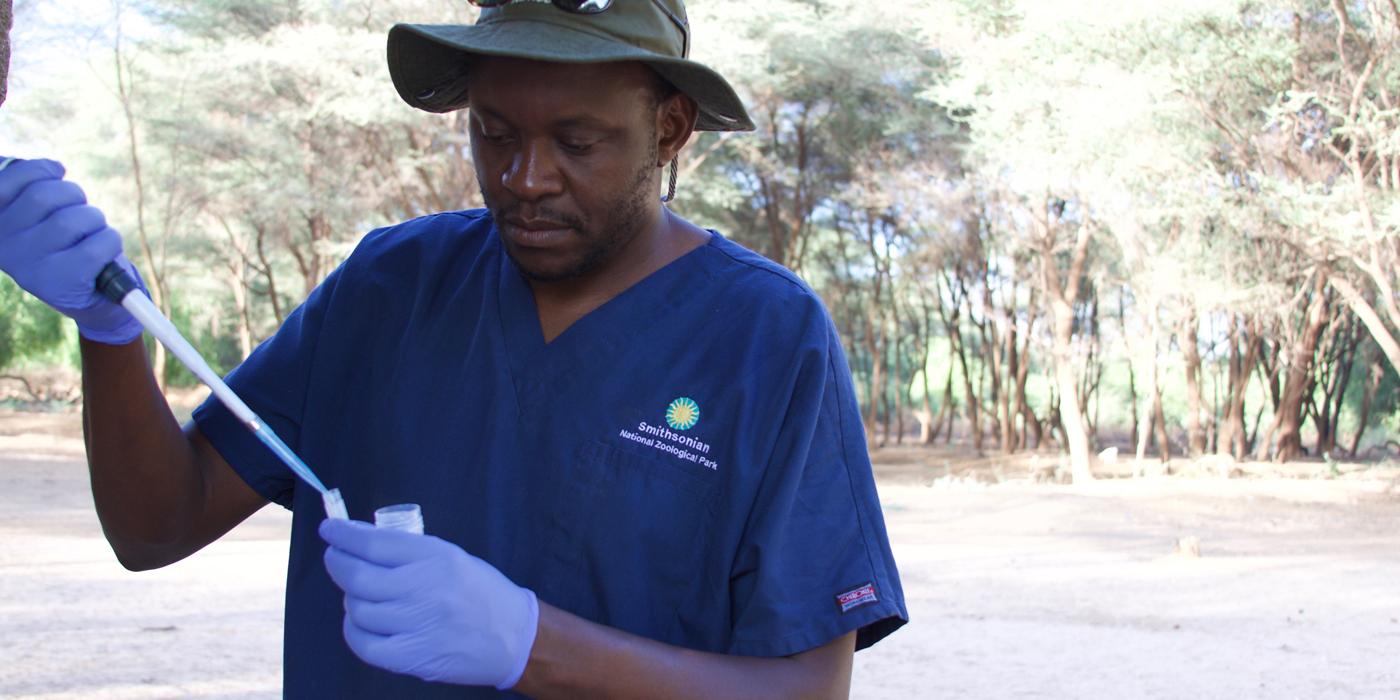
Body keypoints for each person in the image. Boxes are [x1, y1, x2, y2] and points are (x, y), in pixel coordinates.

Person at [0, 0, 907, 697]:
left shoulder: (765, 339)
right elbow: (158, 526)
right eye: (494, 132)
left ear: (668, 129)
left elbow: (804, 686)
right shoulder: (390, 289)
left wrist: (527, 644)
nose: (524, 178)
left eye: (577, 142)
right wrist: (111, 329)